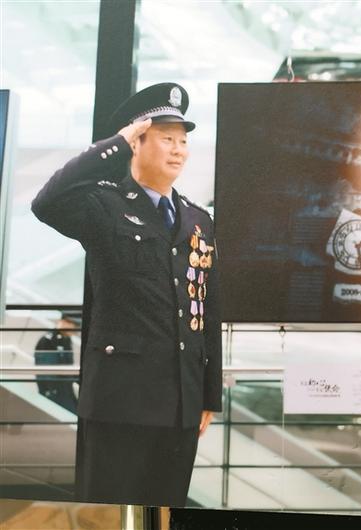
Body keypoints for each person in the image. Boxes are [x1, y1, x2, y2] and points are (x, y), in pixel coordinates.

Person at [31, 83, 223, 507]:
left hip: (182, 404)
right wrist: (116, 144)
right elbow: (47, 203)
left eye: (183, 141)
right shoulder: (105, 206)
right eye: (166, 139)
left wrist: (210, 393)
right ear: (137, 142)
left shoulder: (198, 220)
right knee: (108, 516)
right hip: (120, 403)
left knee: (166, 514)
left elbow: (206, 308)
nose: (178, 150)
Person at [34, 312, 80, 414]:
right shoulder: (48, 340)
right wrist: (50, 393)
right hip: (54, 391)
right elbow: (47, 372)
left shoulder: (66, 340)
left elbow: (68, 366)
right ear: (63, 322)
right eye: (74, 324)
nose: (75, 329)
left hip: (65, 389)